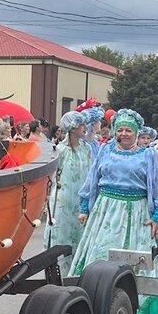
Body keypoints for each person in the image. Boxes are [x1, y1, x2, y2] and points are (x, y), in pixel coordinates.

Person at [74, 108, 158, 314]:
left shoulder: (148, 155)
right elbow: (92, 181)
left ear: (137, 132)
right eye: (119, 130)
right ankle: (99, 311)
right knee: (102, 261)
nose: (123, 134)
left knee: (141, 265)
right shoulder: (104, 150)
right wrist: (85, 208)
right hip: (106, 214)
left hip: (139, 214)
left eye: (128, 130)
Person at [47, 110, 93, 276]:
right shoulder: (60, 150)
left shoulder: (86, 149)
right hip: (63, 199)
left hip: (80, 199)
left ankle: (77, 273)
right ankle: (59, 272)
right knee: (62, 234)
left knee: (79, 234)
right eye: (81, 124)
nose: (84, 127)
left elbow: (91, 174)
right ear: (72, 127)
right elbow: (52, 176)